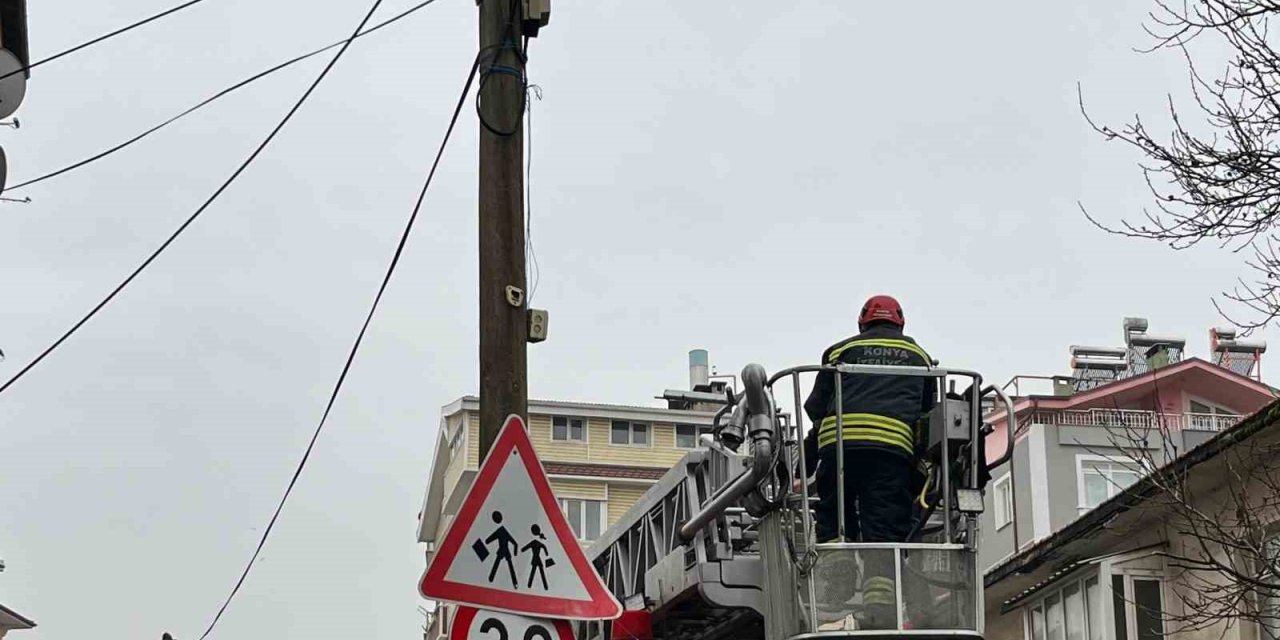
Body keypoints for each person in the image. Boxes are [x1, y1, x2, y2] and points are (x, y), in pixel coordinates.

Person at [801, 294, 935, 628]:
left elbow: (816, 407)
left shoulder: (839, 351)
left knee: (834, 512)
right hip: (890, 453)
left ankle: (838, 582)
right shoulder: (920, 356)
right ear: (900, 321)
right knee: (883, 531)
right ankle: (881, 611)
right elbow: (928, 415)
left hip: (838, 446)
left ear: (863, 321)